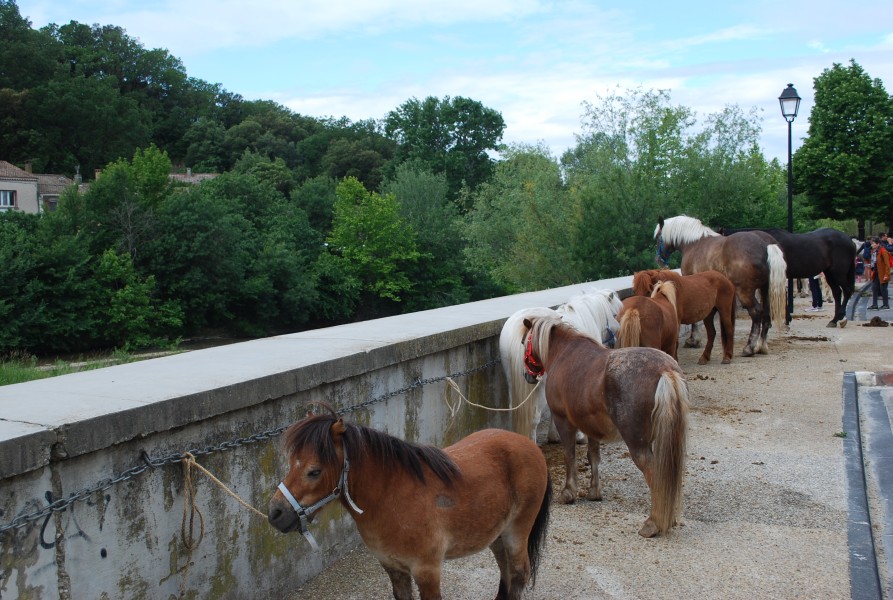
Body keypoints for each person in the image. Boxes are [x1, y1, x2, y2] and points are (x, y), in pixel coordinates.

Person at [868, 236, 890, 310]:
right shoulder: (875, 251)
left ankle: (886, 304)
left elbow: (887, 264)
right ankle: (874, 304)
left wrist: (886, 274)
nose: (872, 245)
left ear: (877, 244)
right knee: (874, 288)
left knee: (883, 289)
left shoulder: (883, 251)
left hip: (882, 273)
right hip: (876, 272)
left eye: (873, 243)